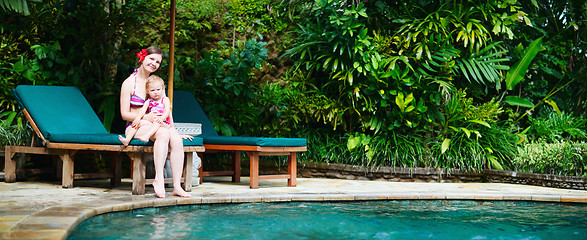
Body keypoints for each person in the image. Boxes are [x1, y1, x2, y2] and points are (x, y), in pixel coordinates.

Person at [120, 46, 192, 198]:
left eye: (158, 62)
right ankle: (159, 179)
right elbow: (124, 114)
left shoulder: (156, 82)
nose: (154, 63)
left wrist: (174, 130)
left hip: (158, 124)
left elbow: (165, 108)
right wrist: (146, 117)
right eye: (151, 59)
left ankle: (177, 186)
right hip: (136, 125)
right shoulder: (129, 83)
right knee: (163, 133)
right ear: (142, 58)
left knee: (177, 141)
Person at [118, 75, 171, 146]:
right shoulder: (148, 101)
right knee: (137, 123)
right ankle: (127, 139)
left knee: (156, 122)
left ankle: (147, 135)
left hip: (162, 122)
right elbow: (142, 112)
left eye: (158, 89)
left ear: (162, 89)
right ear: (148, 91)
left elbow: (167, 111)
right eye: (152, 90)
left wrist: (161, 118)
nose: (156, 92)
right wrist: (137, 119)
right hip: (151, 121)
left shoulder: (165, 99)